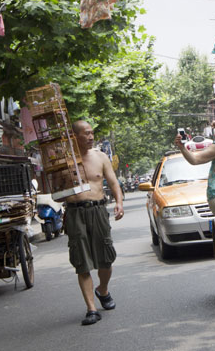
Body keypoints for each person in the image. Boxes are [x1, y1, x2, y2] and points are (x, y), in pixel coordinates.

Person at [61, 120, 124, 325]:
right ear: (75, 136)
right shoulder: (64, 161)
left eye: (92, 133)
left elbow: (113, 182)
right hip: (74, 213)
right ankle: (91, 309)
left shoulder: (101, 157)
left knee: (106, 259)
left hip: (97, 210)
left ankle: (102, 289)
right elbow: (55, 192)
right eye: (86, 133)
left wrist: (119, 203)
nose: (90, 137)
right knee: (82, 262)